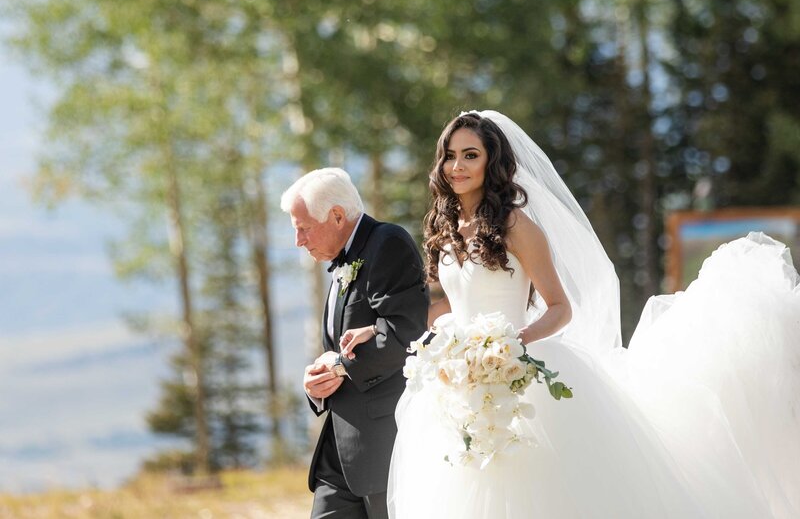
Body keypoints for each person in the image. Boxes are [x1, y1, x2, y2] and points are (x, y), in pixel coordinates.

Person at [341, 111, 800, 518]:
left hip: (516, 372)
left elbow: (560, 307)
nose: (457, 167)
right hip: (457, 379)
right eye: (450, 156)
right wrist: (379, 328)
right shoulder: (445, 226)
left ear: (491, 162)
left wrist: (510, 347)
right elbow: (445, 304)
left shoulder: (516, 226)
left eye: (470, 155)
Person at [280, 168, 429, 519]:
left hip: (382, 449)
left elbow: (404, 334)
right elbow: (338, 346)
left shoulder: (387, 243)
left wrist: (339, 367)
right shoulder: (340, 260)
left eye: (303, 228)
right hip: (338, 456)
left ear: (336, 216)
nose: (298, 240)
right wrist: (316, 382)